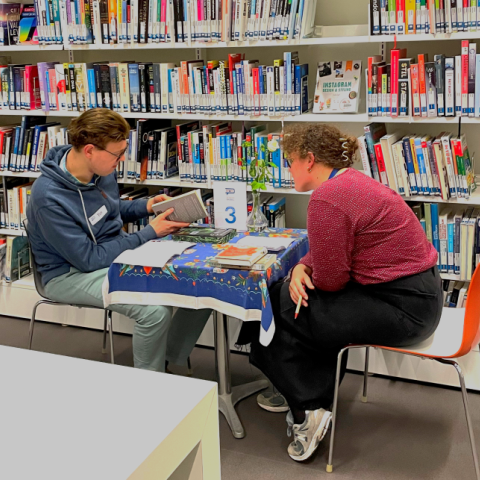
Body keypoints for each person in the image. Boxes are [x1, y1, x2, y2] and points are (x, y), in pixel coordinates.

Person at [250, 123, 442, 462]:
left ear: (309, 160)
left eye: (289, 160)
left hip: (403, 308)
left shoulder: (327, 198)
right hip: (420, 296)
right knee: (292, 298)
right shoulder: (349, 182)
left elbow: (332, 281)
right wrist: (302, 267)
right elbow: (335, 249)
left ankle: (307, 407)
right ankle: (307, 391)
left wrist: (304, 272)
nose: (287, 168)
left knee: (281, 306)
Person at [26, 109, 211, 372]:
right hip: (67, 274)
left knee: (200, 279)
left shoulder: (99, 169)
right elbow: (89, 259)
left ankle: (168, 358)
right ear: (89, 150)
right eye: (117, 154)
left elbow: (109, 208)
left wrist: (147, 206)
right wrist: (149, 233)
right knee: (154, 312)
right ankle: (150, 385)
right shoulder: (47, 199)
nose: (122, 160)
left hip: (114, 253)